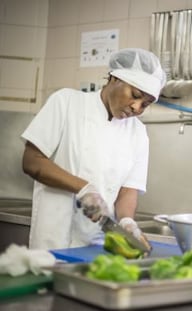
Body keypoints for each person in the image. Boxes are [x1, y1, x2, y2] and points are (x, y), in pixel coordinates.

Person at [21, 48, 166, 250]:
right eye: (135, 95)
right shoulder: (66, 102)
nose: (137, 108)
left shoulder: (139, 133)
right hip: (52, 238)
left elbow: (128, 190)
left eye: (146, 104)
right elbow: (31, 161)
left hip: (94, 242)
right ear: (115, 79)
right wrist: (84, 188)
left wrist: (126, 222)